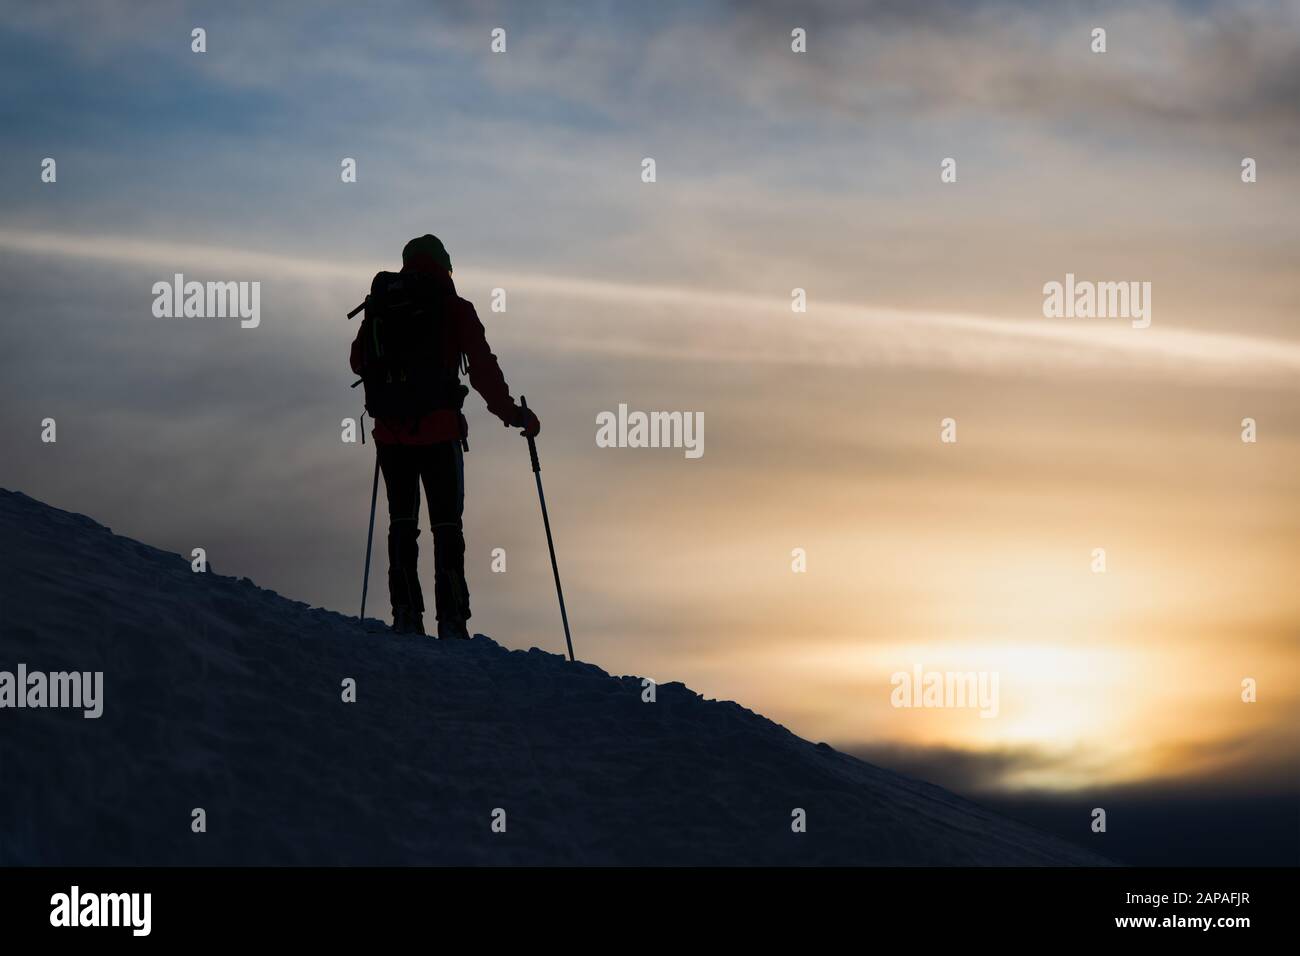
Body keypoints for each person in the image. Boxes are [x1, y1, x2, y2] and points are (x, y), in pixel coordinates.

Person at [350, 234, 540, 638]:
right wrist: (514, 415)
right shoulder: (454, 309)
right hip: (440, 433)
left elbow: (357, 361)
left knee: (402, 522)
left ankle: (405, 614)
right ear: (445, 266)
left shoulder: (382, 305)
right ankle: (452, 620)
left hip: (390, 434)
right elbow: (484, 371)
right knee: (446, 527)